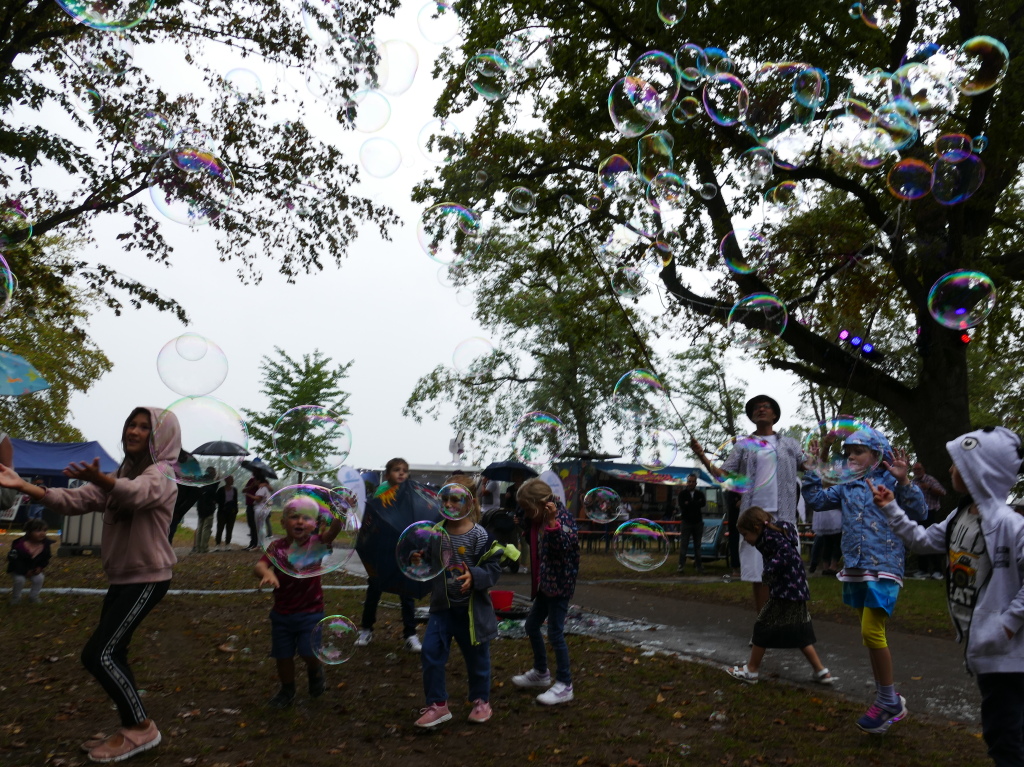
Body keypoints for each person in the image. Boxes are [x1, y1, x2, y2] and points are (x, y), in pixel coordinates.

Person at [0, 406, 179, 762]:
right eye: (132, 424)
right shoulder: (122, 473)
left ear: (161, 438)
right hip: (124, 577)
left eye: (145, 427)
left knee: (99, 654)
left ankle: (141, 729)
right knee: (115, 653)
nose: (134, 431)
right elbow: (75, 499)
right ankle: (133, 725)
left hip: (148, 577)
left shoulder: (164, 475)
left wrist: (106, 482)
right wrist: (25, 486)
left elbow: (136, 493)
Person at [871, 426, 1024, 766]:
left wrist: (1008, 625)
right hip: (984, 643)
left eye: (959, 464)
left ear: (979, 473)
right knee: (1004, 727)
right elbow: (923, 541)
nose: (952, 469)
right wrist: (891, 508)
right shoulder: (960, 515)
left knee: (1004, 735)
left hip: (1008, 652)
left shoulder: (1009, 524)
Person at [802, 426, 926, 734]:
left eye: (858, 451)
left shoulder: (889, 482)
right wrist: (812, 469)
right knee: (871, 635)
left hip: (885, 566)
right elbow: (816, 500)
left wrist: (905, 481)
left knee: (872, 633)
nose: (851, 456)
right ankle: (888, 697)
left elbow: (920, 511)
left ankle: (888, 701)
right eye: (848, 452)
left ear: (876, 455)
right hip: (856, 567)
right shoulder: (846, 486)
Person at [414, 477, 514, 728]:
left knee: (477, 659)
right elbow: (430, 560)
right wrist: (420, 559)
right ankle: (438, 705)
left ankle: (481, 701)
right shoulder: (437, 532)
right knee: (431, 653)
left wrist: (476, 576)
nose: (448, 503)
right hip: (442, 608)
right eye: (445, 499)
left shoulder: (479, 536)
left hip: (472, 612)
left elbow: (493, 568)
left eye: (455, 499)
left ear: (469, 502)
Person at [690, 395, 803, 612]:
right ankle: (764, 626)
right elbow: (723, 474)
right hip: (753, 518)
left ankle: (787, 622)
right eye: (756, 408)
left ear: (775, 415)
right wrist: (702, 456)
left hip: (784, 517)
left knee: (787, 572)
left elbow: (809, 466)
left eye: (766, 406)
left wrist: (824, 447)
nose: (760, 409)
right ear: (752, 417)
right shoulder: (744, 446)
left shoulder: (790, 444)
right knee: (759, 574)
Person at [726, 506, 836, 685]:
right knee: (800, 632)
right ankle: (821, 671)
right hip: (796, 590)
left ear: (755, 528)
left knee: (762, 626)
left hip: (786, 591)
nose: (745, 539)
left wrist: (768, 571)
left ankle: (752, 670)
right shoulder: (773, 535)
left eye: (745, 534)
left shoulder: (770, 537)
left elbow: (786, 554)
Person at [254, 494, 341, 708]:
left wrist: (340, 512)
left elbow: (334, 530)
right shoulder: (277, 547)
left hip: (311, 612)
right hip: (282, 613)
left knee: (308, 651)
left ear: (315, 524)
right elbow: (260, 565)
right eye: (294, 517)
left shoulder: (318, 542)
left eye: (306, 518)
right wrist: (266, 573)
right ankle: (287, 690)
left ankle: (315, 669)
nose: (300, 521)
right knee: (283, 656)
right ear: (283, 523)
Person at [511, 478, 580, 706]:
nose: (528, 515)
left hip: (559, 585)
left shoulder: (562, 519)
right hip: (545, 584)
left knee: (555, 633)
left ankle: (565, 685)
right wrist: (522, 521)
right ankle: (541, 673)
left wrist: (551, 524)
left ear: (541, 505)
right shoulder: (540, 517)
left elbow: (561, 547)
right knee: (531, 626)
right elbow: (535, 540)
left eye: (530, 510)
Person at [356, 457, 422, 651]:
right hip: (383, 548)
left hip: (405, 548)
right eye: (396, 470)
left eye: (404, 470)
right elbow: (372, 520)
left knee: (407, 593)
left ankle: (410, 634)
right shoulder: (379, 496)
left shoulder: (411, 495)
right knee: (374, 590)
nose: (401, 473)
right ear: (387, 475)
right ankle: (366, 629)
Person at [911, 460, 948, 580]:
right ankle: (923, 570)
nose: (917, 472)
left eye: (919, 469)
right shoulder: (913, 482)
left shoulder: (930, 480)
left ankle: (937, 570)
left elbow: (943, 492)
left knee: (931, 539)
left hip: (930, 513)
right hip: (917, 514)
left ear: (923, 470)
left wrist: (929, 488)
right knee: (919, 540)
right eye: (915, 470)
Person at [7, 518, 52, 604]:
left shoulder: (45, 544)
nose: (42, 533)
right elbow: (14, 560)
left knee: (39, 578)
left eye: (44, 530)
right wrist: (24, 571)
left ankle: (34, 596)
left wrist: (40, 567)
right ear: (29, 532)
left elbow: (46, 558)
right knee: (20, 580)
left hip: (34, 569)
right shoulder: (19, 545)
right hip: (18, 569)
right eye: (38, 530)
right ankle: (16, 597)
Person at [674, 473, 706, 575]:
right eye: (689, 481)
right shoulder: (682, 494)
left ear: (696, 483)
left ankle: (699, 566)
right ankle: (681, 565)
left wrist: (690, 503)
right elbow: (683, 505)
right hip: (686, 522)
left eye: (693, 481)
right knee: (684, 544)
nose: (691, 483)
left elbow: (703, 503)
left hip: (697, 522)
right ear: (687, 482)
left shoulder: (700, 494)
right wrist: (695, 503)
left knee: (697, 546)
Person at [808, 505, 843, 577]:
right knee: (837, 543)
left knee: (827, 544)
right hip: (835, 516)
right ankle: (833, 566)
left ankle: (826, 567)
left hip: (823, 518)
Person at [192, 469, 217, 554]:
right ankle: (204, 548)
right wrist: (216, 483)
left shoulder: (201, 481)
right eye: (215, 472)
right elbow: (212, 493)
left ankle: (198, 547)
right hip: (208, 507)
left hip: (200, 506)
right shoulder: (211, 483)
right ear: (212, 473)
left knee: (200, 527)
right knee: (206, 528)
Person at [215, 475, 239, 550]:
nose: (232, 481)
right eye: (231, 479)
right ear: (226, 480)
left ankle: (227, 544)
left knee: (230, 528)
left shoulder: (234, 490)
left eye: (232, 479)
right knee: (220, 527)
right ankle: (218, 544)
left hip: (231, 511)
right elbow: (217, 500)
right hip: (222, 511)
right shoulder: (221, 489)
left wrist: (235, 510)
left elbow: (235, 500)